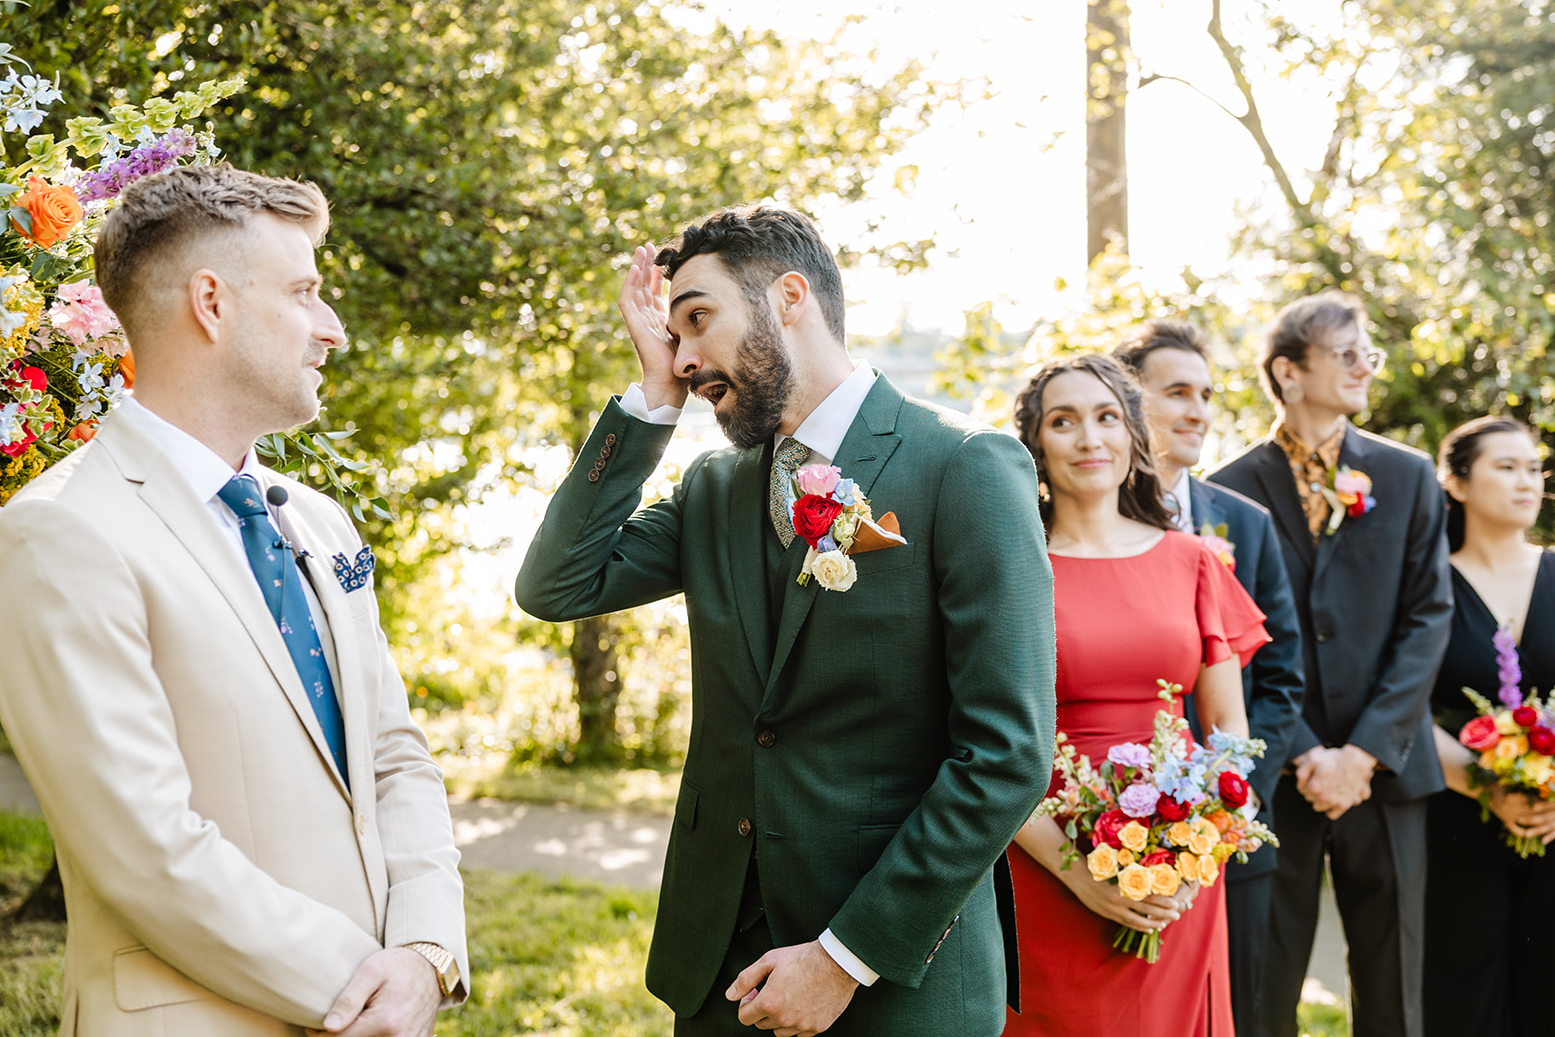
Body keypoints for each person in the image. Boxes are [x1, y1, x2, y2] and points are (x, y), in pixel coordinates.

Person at [516, 205, 1055, 1036]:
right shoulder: (714, 489)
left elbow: (1007, 757)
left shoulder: (964, 467)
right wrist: (651, 403)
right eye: (673, 336)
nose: (686, 357)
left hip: (899, 980)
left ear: (790, 296)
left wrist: (842, 957)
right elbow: (556, 584)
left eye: (697, 318)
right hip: (720, 974)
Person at [0, 165, 467, 1036]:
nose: (331, 329)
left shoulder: (322, 522)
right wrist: (373, 988)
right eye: (305, 292)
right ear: (211, 303)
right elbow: (145, 849)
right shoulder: (60, 532)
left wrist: (428, 952)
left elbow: (397, 756)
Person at [1004, 353, 1269, 1037]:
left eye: (1106, 417)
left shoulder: (1194, 561)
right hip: (1044, 857)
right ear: (1035, 443)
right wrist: (1080, 874)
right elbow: (981, 743)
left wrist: (1198, 853)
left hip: (1181, 873)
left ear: (1132, 435)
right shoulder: (1006, 570)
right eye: (1063, 421)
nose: (1089, 438)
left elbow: (1229, 735)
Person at [1208, 291, 1451, 1037]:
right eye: (1345, 353)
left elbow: (1428, 615)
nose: (1364, 366)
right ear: (1287, 371)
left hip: (1387, 766)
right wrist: (1307, 749)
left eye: (1366, 352)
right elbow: (1227, 635)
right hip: (1279, 766)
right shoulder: (1225, 488)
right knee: (1264, 981)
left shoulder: (1407, 476)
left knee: (1395, 986)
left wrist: (1365, 751)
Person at [1113, 320, 1304, 1036]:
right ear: (1130, 400)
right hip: (1112, 821)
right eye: (1177, 393)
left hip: (1225, 826)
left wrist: (1227, 801)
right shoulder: (1077, 523)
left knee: (1241, 1010)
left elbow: (1282, 678)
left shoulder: (1244, 524)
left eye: (1207, 394)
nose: (1199, 411)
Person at [1424, 416, 1555, 1037]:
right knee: (1463, 998)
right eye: (1506, 466)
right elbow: (1403, 706)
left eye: (1534, 468)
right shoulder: (1426, 587)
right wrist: (1485, 786)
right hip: (1456, 818)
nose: (1527, 481)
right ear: (1457, 482)